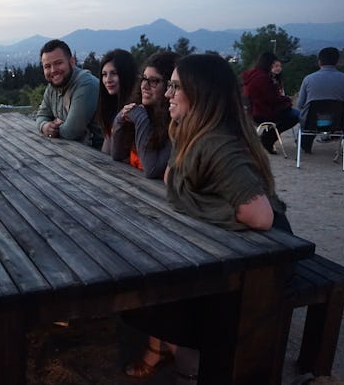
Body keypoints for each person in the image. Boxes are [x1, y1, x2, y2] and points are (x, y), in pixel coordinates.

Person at [125, 54, 291, 383]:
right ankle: (181, 353)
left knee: (159, 291)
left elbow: (260, 217)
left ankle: (201, 361)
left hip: (268, 251)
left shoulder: (218, 143)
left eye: (175, 87)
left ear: (201, 93)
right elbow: (173, 178)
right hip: (233, 242)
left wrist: (195, 206)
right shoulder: (191, 133)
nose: (167, 94)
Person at [111, 51, 177, 179]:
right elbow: (117, 154)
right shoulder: (142, 111)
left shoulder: (174, 124)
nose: (144, 86)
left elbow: (152, 170)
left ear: (170, 86)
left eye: (154, 81)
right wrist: (120, 119)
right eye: (144, 79)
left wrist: (140, 118)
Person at [35, 39, 102, 149]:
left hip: (99, 157)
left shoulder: (86, 84)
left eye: (58, 63)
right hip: (71, 153)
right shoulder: (53, 86)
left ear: (71, 62)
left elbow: (71, 132)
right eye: (47, 66)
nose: (53, 70)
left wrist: (55, 127)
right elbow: (41, 115)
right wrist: (45, 126)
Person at [297, 47, 344, 153]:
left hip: (311, 121)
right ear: (337, 62)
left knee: (305, 115)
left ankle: (305, 143)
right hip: (337, 122)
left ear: (319, 62)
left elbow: (300, 104)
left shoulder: (308, 79)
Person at [242, 52, 299, 154]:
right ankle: (268, 138)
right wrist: (287, 100)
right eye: (273, 64)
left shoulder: (253, 75)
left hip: (253, 111)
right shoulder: (263, 78)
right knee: (296, 116)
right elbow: (273, 99)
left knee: (293, 113)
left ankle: (267, 137)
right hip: (263, 112)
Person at [95, 49, 139, 154]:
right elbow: (106, 150)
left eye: (114, 73)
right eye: (104, 75)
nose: (108, 80)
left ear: (126, 74)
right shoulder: (111, 104)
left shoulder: (134, 107)